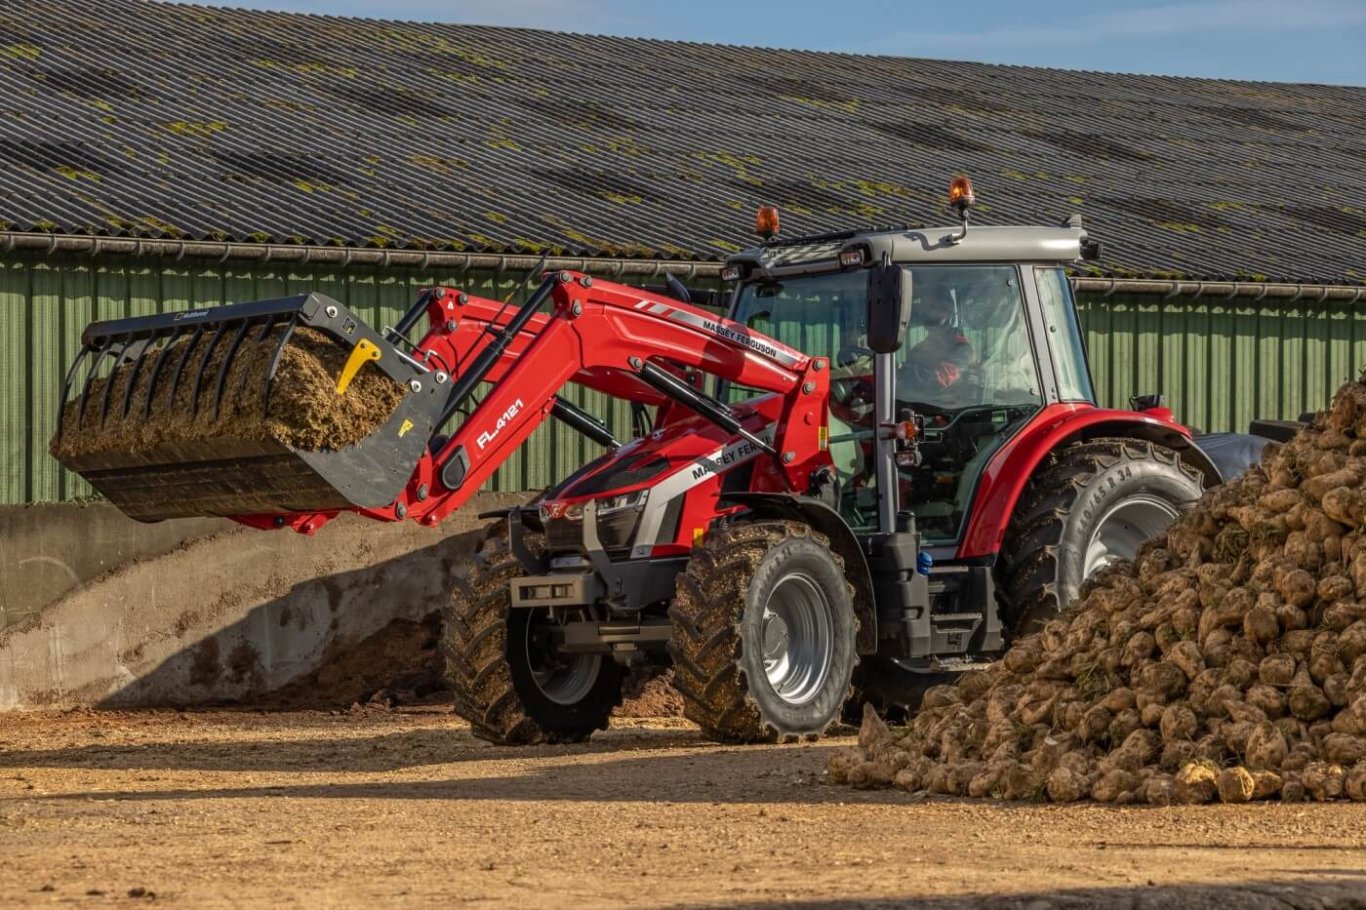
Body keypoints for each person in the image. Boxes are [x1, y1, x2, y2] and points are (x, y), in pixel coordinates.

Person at [897, 285, 975, 408]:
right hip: (918, 413)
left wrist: (910, 392)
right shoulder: (917, 350)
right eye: (925, 309)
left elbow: (938, 383)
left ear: (948, 310)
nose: (929, 314)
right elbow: (904, 383)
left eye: (934, 308)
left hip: (949, 415)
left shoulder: (961, 348)